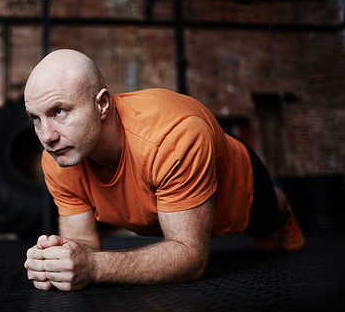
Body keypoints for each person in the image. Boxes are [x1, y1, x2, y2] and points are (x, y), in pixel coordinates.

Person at [23, 49, 305, 292]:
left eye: (59, 111)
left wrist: (95, 267)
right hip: (169, 211)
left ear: (102, 104)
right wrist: (60, 261)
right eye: (36, 118)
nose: (46, 136)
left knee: (265, 220)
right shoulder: (58, 158)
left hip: (239, 184)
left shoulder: (175, 137)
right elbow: (83, 243)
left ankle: (284, 214)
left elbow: (189, 257)